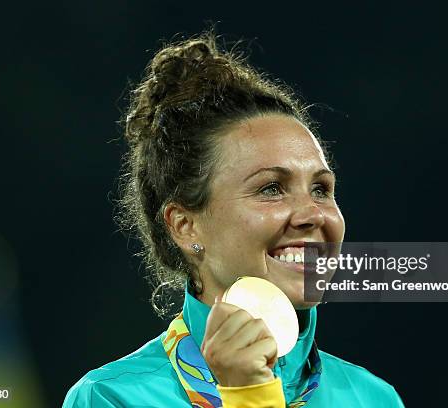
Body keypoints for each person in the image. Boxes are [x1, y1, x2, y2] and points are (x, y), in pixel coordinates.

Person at [63, 31, 404, 407]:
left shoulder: (373, 398)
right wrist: (248, 395)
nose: (312, 213)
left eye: (321, 189)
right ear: (184, 225)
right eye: (271, 188)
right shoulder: (113, 398)